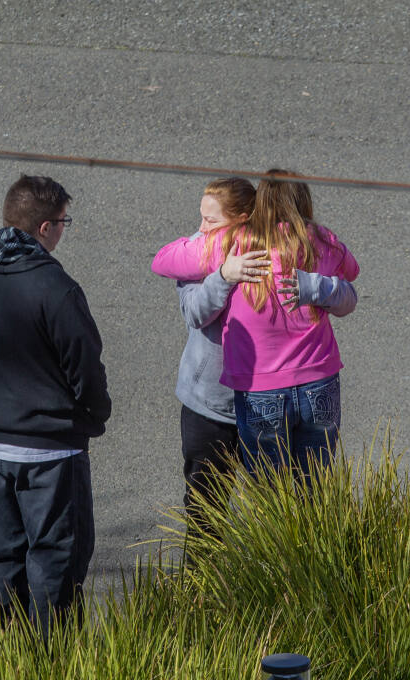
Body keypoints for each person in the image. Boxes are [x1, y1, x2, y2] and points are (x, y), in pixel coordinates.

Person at [0, 175, 111, 633]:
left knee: (5, 553)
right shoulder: (55, 288)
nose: (64, 230)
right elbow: (85, 366)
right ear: (43, 228)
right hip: (51, 452)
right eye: (63, 222)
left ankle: (2, 652)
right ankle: (52, 657)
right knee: (57, 559)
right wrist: (91, 418)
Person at [152, 170, 359, 478]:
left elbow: (163, 261)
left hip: (261, 387)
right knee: (315, 489)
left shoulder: (232, 242)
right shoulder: (320, 240)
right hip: (318, 379)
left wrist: (218, 259)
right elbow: (351, 271)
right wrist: (315, 278)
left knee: (268, 494)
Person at [170, 178, 269, 536]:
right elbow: (195, 313)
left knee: (271, 509)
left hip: (263, 401)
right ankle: (199, 591)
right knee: (204, 511)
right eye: (201, 217)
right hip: (207, 406)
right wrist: (224, 276)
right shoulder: (196, 254)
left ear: (242, 219)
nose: (200, 229)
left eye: (211, 221)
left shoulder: (268, 254)